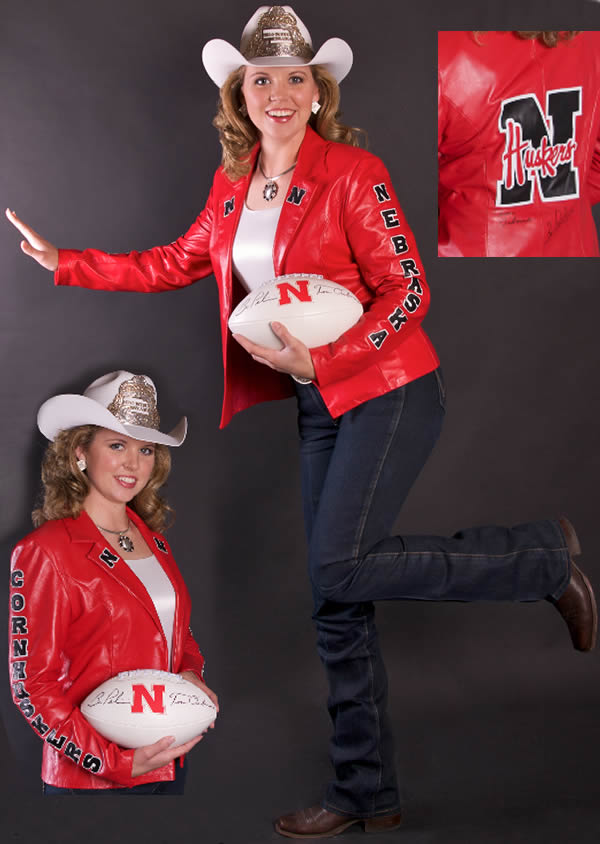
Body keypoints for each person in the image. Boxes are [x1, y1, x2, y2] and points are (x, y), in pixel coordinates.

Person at [6, 5, 597, 834]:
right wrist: (66, 262)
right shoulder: (231, 185)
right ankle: (366, 791)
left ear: (316, 92)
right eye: (261, 78)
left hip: (387, 389)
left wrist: (328, 360)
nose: (277, 92)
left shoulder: (354, 172)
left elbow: (410, 293)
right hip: (320, 406)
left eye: (294, 78)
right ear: (239, 94)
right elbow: (175, 262)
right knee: (334, 594)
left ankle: (536, 563)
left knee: (341, 569)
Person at [8, 370, 218, 794]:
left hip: (169, 761)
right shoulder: (46, 550)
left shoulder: (155, 543)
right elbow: (32, 686)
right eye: (117, 445)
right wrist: (114, 762)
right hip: (92, 779)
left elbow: (178, 634)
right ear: (81, 452)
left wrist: (191, 674)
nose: (132, 464)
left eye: (145, 449)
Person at [438, 30, 600, 257]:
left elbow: (412, 195)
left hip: (473, 272)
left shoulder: (442, 47)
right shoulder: (591, 36)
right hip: (575, 263)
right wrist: (561, 204)